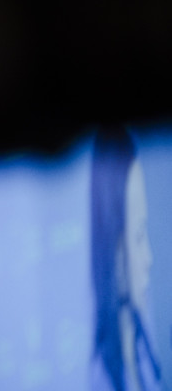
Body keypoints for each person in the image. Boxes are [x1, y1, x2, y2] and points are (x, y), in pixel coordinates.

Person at [90, 126, 161, 391]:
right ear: (115, 248)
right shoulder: (101, 380)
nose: (149, 259)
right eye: (139, 236)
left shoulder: (144, 341)